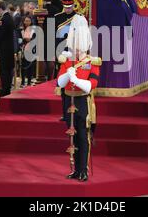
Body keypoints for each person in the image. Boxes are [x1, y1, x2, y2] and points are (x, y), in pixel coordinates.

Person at [57, 14, 101, 182]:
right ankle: (75, 169)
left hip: (83, 102)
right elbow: (60, 83)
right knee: (72, 136)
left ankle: (83, 169)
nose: (76, 50)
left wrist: (75, 79)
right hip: (69, 101)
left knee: (83, 136)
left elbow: (91, 86)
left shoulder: (92, 62)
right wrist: (68, 75)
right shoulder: (67, 61)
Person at [0, 1, 15, 97]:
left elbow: (0, 36)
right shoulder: (9, 17)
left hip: (4, 50)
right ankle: (6, 89)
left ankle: (5, 90)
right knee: (7, 70)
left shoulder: (4, 19)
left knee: (4, 71)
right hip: (9, 49)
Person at [20, 16, 36, 87]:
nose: (27, 22)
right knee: (23, 66)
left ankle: (29, 81)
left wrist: (30, 40)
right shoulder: (21, 30)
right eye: (26, 21)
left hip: (31, 50)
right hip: (23, 49)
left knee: (30, 66)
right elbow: (19, 40)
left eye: (28, 21)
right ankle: (23, 81)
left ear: (31, 22)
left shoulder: (34, 30)